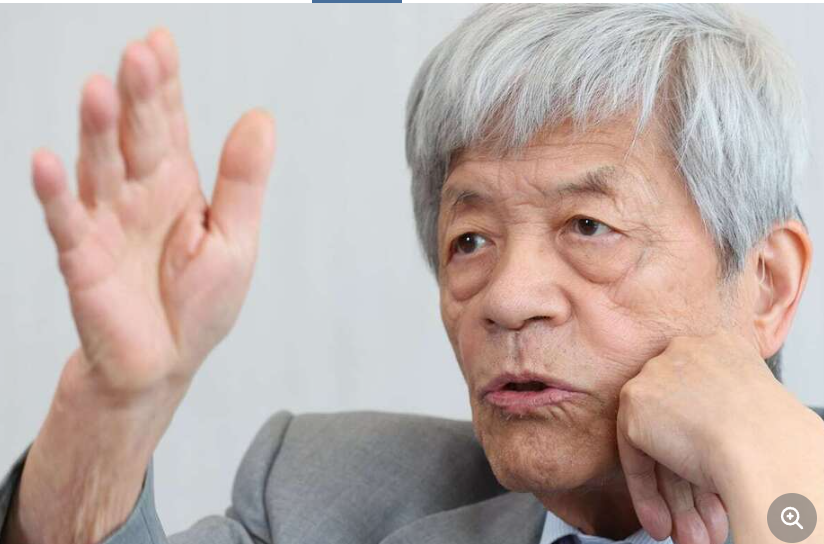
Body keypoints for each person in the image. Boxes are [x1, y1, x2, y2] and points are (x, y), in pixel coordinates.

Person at [1, 4, 823, 544]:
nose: (508, 298)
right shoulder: (322, 495)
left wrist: (787, 485)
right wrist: (115, 405)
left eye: (588, 227)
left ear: (768, 284)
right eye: (472, 239)